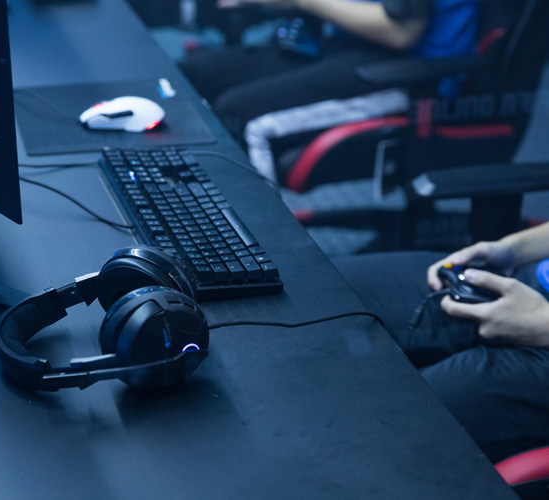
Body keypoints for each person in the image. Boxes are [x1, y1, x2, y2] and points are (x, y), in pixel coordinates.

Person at [180, 0, 482, 182]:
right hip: (347, 41)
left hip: (414, 71)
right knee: (194, 75)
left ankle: (256, 254)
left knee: (238, 115)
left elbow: (402, 32)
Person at [333, 221, 549, 462]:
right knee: (332, 291)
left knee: (385, 422)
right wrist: (513, 249)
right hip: (533, 280)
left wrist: (543, 324)